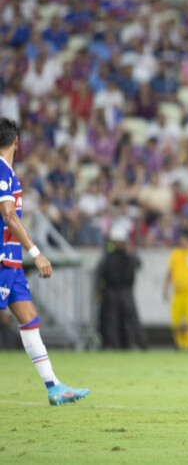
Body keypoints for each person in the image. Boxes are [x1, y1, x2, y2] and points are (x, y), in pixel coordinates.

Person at [0, 117, 89, 404]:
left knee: (29, 320)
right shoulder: (2, 171)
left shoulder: (9, 173)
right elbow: (9, 215)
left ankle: (54, 386)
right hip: (2, 261)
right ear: (17, 142)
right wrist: (36, 253)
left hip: (11, 264)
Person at [96, 224, 147, 349]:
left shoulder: (128, 255)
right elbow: (99, 274)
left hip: (126, 290)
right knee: (112, 320)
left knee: (132, 319)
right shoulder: (108, 256)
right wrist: (98, 291)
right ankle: (114, 345)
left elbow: (138, 264)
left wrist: (131, 254)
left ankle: (142, 344)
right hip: (111, 291)